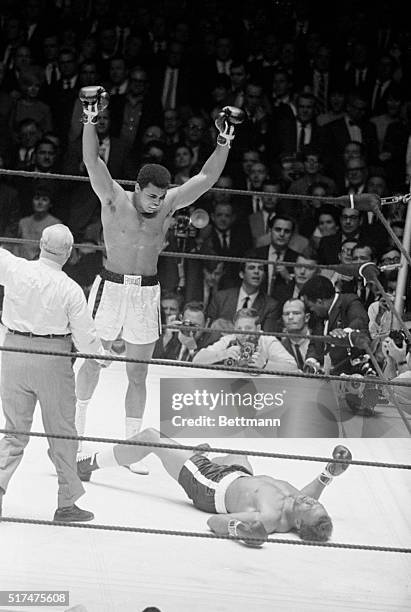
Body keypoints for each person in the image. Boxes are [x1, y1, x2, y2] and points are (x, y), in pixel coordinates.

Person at [75, 87, 241, 473]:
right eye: (150, 196)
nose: (155, 202)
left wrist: (225, 138)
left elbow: (206, 176)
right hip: (110, 286)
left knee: (138, 371)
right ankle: (76, 438)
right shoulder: (113, 198)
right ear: (137, 187)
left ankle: (131, 449)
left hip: (146, 292)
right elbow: (90, 160)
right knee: (92, 362)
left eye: (160, 197)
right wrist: (90, 118)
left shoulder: (168, 204)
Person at [77, 428, 352, 545]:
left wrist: (242, 531)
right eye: (318, 504)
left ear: (300, 526)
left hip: (209, 484)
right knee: (238, 454)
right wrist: (329, 473)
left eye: (311, 508)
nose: (311, 501)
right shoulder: (298, 502)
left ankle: (88, 464)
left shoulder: (267, 519)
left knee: (151, 438)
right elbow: (310, 495)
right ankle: (195, 455)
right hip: (237, 473)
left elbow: (215, 521)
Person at [0, 224, 107, 521]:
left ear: (40, 244)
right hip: (52, 357)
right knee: (62, 434)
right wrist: (100, 356)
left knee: (12, 432)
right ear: (70, 252)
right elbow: (85, 337)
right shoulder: (70, 288)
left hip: (13, 354)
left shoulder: (15, 269)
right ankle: (67, 503)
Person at [193, 307, 298, 372]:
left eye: (248, 328)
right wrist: (223, 354)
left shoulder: (268, 341)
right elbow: (197, 360)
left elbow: (293, 367)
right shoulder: (229, 339)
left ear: (258, 329)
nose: (242, 333)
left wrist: (265, 364)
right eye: (239, 328)